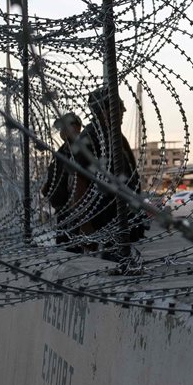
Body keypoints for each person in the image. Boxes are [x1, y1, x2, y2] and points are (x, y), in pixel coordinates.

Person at [72, 88, 143, 260]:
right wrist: (86, 227)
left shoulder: (115, 136)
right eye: (119, 106)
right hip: (103, 225)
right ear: (104, 110)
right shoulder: (89, 139)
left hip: (120, 223)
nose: (124, 110)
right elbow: (78, 185)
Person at [41, 112, 83, 244]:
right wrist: (48, 188)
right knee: (64, 243)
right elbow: (56, 173)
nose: (62, 131)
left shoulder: (80, 149)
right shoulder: (63, 150)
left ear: (76, 128)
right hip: (62, 208)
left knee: (72, 245)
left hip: (73, 208)